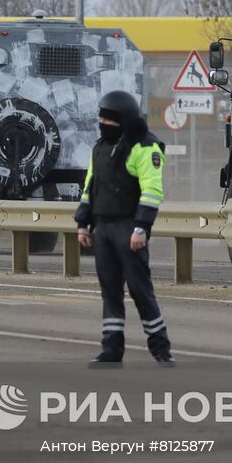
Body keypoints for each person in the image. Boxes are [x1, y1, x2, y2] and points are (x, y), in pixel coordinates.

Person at [74, 90, 175, 367]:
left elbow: (152, 190)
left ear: (124, 119)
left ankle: (161, 349)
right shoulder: (100, 147)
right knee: (110, 291)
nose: (102, 122)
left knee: (140, 290)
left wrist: (141, 228)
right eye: (101, 117)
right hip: (103, 228)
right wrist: (83, 223)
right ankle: (111, 350)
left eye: (108, 118)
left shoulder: (145, 147)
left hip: (129, 228)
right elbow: (90, 187)